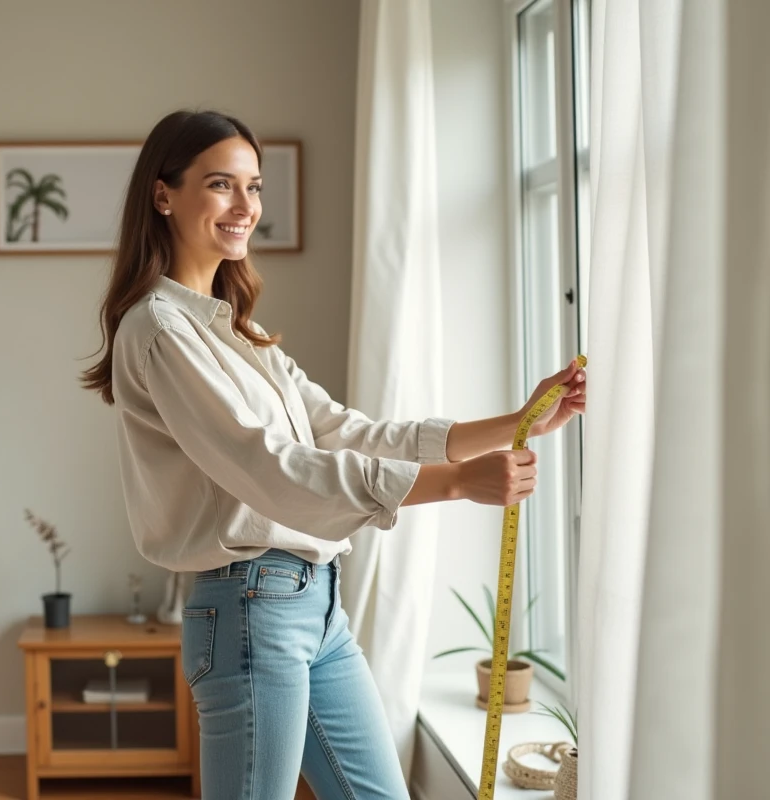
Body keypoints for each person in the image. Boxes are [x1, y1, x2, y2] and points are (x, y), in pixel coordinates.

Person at [81, 109, 587, 800]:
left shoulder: (236, 329)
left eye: (254, 187)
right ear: (163, 195)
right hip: (252, 604)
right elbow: (269, 470)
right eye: (221, 185)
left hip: (314, 604)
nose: (245, 207)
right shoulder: (161, 331)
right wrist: (455, 483)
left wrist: (517, 420)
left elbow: (346, 431)